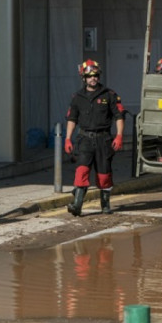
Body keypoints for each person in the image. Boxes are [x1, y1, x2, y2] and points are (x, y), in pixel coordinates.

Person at [64, 59, 126, 216]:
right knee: (81, 171)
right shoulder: (77, 97)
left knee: (104, 175)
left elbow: (119, 116)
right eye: (90, 76)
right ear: (84, 78)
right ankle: (77, 205)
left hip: (104, 140)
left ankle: (105, 205)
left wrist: (119, 136)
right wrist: (68, 138)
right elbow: (72, 119)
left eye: (96, 75)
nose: (93, 78)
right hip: (84, 140)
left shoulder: (109, 95)